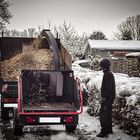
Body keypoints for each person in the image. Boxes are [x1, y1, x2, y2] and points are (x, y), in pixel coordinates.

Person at [96, 58, 116, 138]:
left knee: (103, 114)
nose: (101, 67)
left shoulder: (108, 74)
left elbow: (107, 88)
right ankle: (109, 130)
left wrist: (104, 97)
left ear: (104, 66)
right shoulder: (108, 73)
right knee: (108, 114)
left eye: (101, 66)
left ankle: (104, 132)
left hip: (107, 98)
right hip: (109, 98)